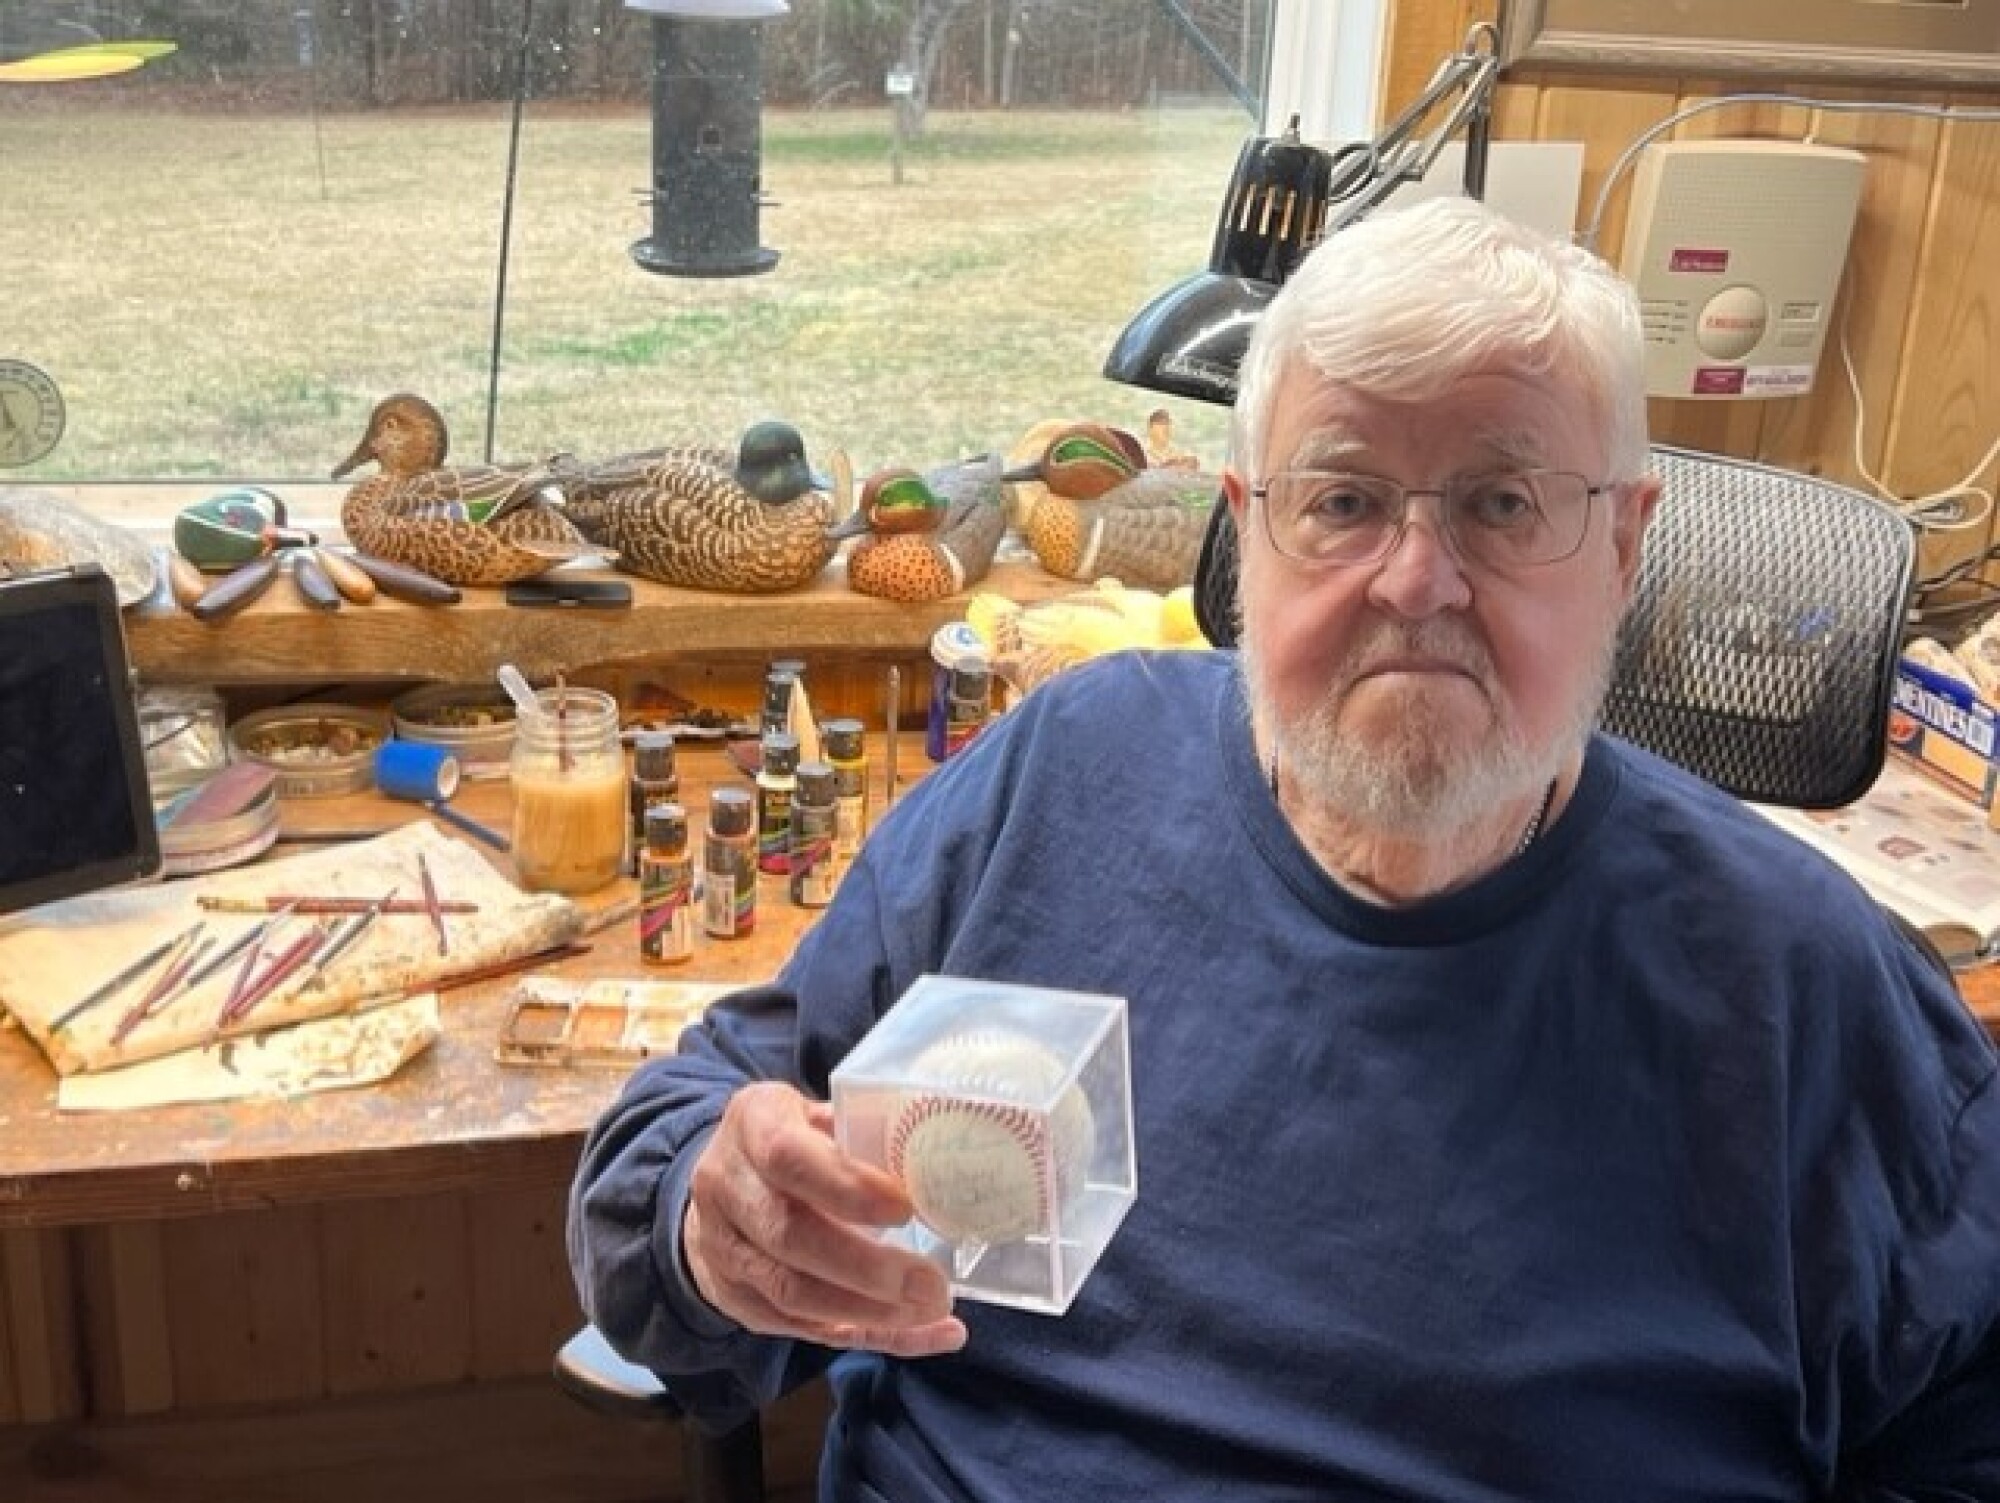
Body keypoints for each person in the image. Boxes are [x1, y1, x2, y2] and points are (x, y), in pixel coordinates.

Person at [569, 196, 2000, 1500]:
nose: (1418, 582)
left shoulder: (1803, 984)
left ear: (1625, 550)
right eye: (1344, 500)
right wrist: (714, 1218)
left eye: (1504, 505)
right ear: (1246, 541)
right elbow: (683, 1155)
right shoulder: (1062, 783)